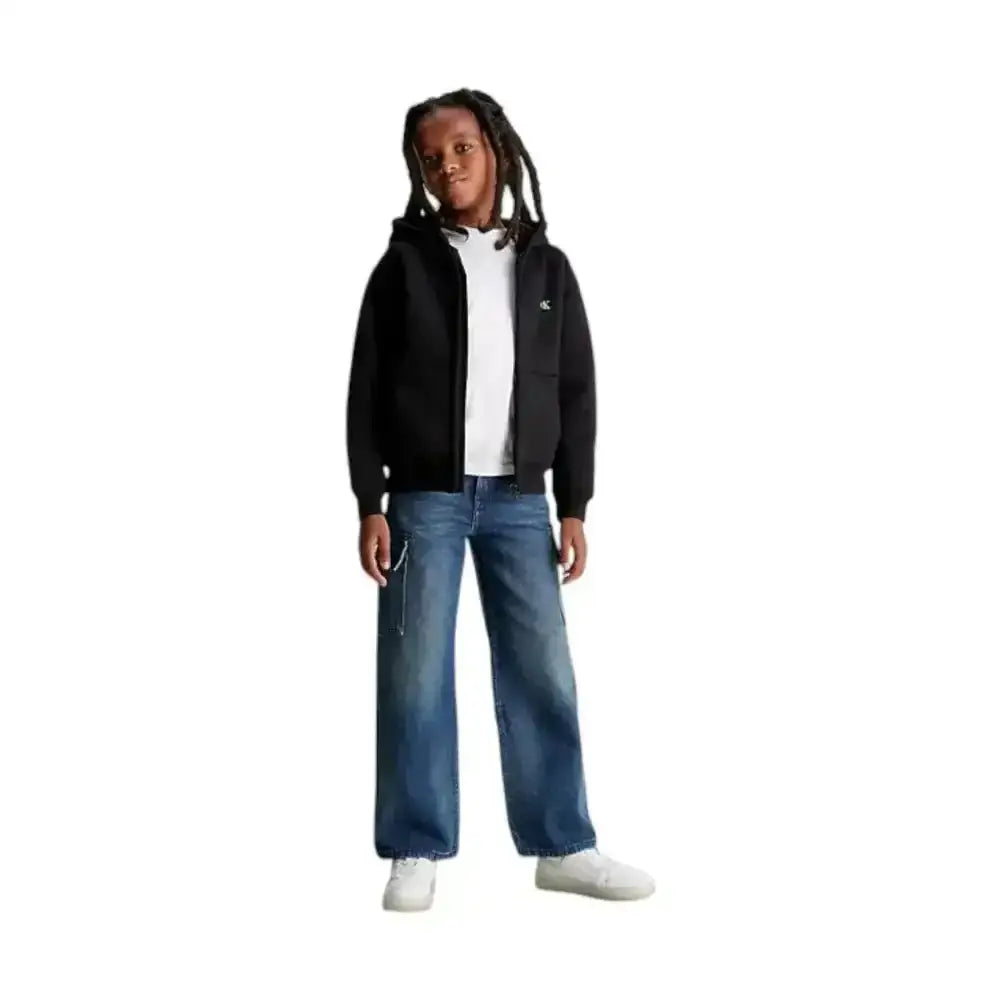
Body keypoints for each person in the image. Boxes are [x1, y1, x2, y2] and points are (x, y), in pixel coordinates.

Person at [346, 88, 655, 911]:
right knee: (414, 675)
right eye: (430, 157)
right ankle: (415, 847)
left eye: (461, 148)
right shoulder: (403, 266)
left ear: (496, 149)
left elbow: (578, 390)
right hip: (424, 499)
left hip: (522, 501)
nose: (446, 166)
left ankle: (563, 845)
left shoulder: (546, 268)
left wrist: (574, 504)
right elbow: (366, 387)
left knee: (542, 671)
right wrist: (370, 500)